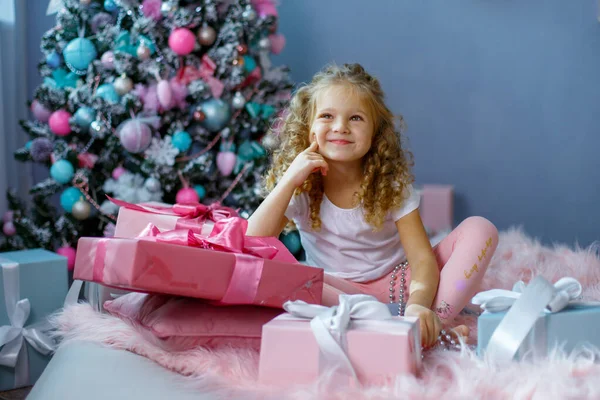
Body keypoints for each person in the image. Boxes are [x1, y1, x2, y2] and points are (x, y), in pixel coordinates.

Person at [247, 63, 498, 348]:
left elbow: (421, 260)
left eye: (355, 118)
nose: (340, 127)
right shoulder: (302, 185)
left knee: (480, 229)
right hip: (336, 294)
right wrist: (289, 180)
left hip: (396, 287)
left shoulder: (389, 184)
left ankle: (430, 325)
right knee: (282, 275)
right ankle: (401, 332)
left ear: (375, 132)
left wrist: (419, 305)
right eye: (327, 116)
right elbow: (252, 242)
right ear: (308, 127)